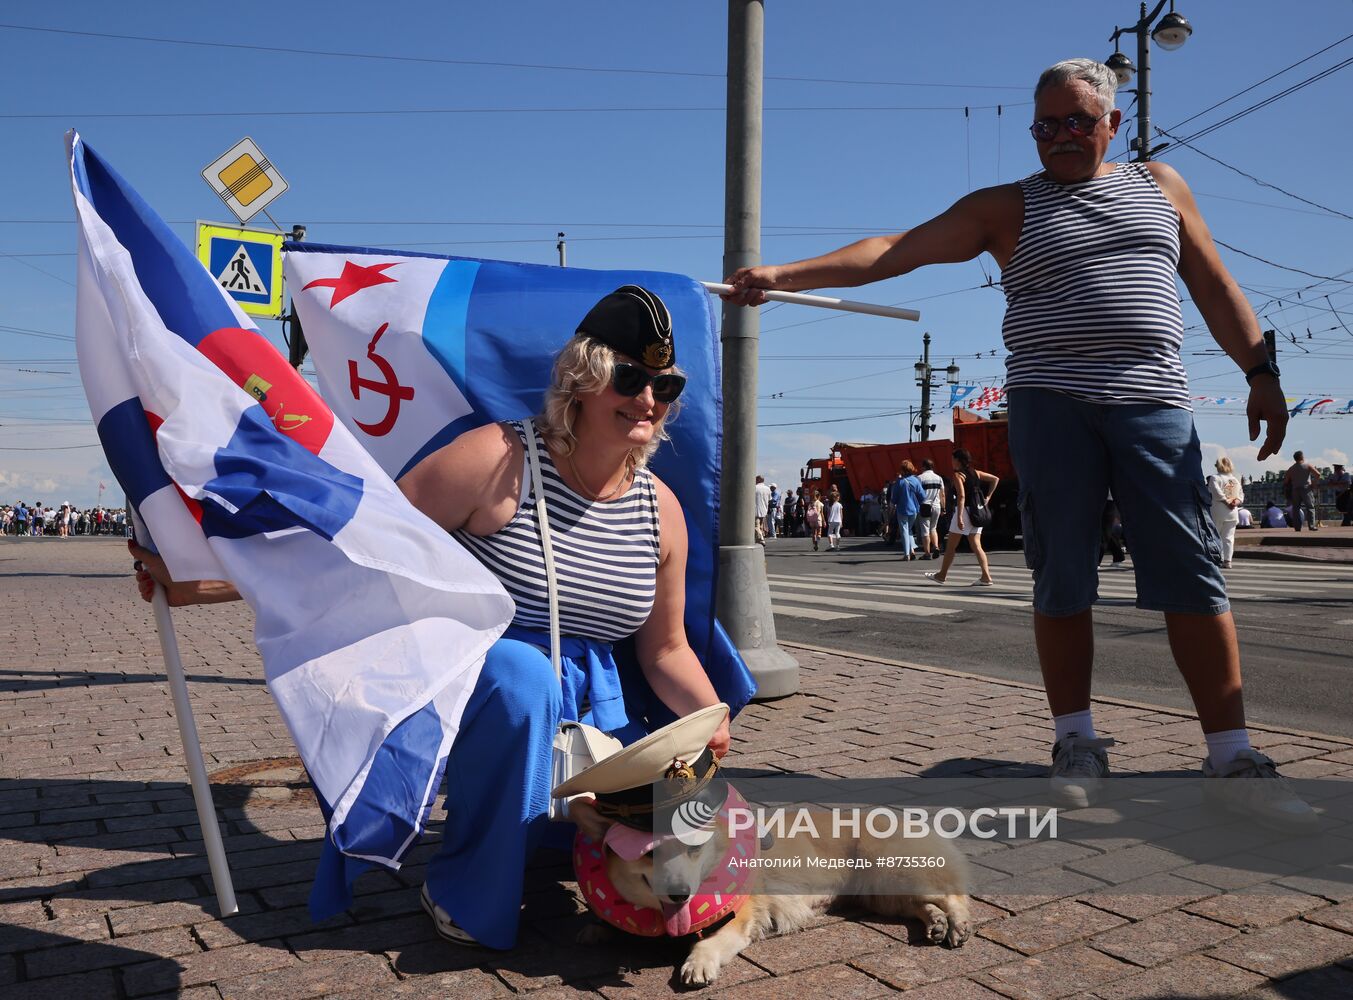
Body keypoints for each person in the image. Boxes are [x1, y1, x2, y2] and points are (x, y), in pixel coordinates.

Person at [722, 58, 1312, 827]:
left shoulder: (1161, 187)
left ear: (1112, 124)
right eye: (1044, 125)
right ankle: (1076, 744)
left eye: (1076, 122)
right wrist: (784, 275)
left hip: (1152, 403)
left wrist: (1259, 371)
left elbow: (1212, 283)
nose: (1060, 137)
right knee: (1060, 576)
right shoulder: (1006, 207)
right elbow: (895, 248)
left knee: (1191, 574)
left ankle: (1232, 755)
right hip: (1048, 405)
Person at [131, 284, 731, 949]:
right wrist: (205, 582)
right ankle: (463, 890)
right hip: (485, 686)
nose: (648, 398)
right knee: (521, 675)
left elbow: (665, 649)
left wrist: (710, 720)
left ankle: (539, 839)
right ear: (583, 381)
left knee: (680, 828)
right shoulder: (497, 459)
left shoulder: (659, 508)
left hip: (593, 721)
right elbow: (359, 549)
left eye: (664, 385)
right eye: (629, 377)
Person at [924, 449, 996, 586]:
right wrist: (988, 496)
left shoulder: (958, 475)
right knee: (977, 546)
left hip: (964, 512)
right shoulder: (977, 473)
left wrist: (959, 518)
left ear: (958, 460)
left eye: (952, 459)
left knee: (951, 546)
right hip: (977, 512)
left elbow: (961, 496)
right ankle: (986, 577)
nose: (951, 462)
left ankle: (941, 575)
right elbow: (995, 479)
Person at [1207, 457, 1244, 568]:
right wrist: (1235, 502)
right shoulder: (1235, 479)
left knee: (1215, 535)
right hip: (1233, 511)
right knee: (1229, 537)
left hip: (1218, 510)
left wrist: (1226, 501)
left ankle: (1217, 558)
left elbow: (1216, 492)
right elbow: (1241, 495)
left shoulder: (1215, 478)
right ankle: (1228, 560)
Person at [889, 462, 925, 560]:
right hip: (914, 509)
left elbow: (894, 499)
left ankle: (906, 554)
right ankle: (912, 551)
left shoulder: (899, 482)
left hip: (902, 509)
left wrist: (891, 510)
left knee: (904, 530)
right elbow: (922, 496)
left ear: (903, 470)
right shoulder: (916, 480)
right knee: (909, 530)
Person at [1283, 451, 1321, 532]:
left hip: (1295, 489)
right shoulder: (1307, 465)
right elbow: (1318, 474)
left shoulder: (1291, 468)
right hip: (1306, 488)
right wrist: (1313, 484)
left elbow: (1286, 481)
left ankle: (1297, 527)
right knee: (1310, 507)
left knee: (1296, 509)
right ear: (1302, 457)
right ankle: (1311, 526)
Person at [916, 459, 945, 558]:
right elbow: (943, 495)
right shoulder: (939, 478)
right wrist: (943, 507)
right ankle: (936, 547)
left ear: (924, 467)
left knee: (925, 530)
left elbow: (916, 494)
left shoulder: (919, 478)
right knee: (933, 528)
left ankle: (927, 553)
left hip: (924, 506)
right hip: (936, 506)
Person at [1330, 462, 1352, 527]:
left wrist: (1336, 483)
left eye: (1336, 468)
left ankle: (1346, 522)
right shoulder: (1334, 476)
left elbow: (1347, 484)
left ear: (1341, 468)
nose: (1335, 469)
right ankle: (1346, 521)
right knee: (1340, 508)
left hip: (1346, 494)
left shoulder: (1346, 475)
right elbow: (1330, 483)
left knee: (1347, 508)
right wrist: (1339, 483)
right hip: (1338, 493)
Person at [825, 487, 844, 552]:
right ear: (836, 498)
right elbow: (841, 514)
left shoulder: (829, 504)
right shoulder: (839, 505)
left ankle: (831, 545)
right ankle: (837, 546)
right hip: (838, 521)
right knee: (837, 533)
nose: (839, 498)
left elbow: (828, 513)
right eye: (838, 497)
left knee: (829, 533)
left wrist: (828, 520)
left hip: (832, 520)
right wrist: (841, 521)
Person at [754, 475, 771, 544]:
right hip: (764, 509)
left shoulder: (754, 487)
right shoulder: (767, 488)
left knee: (755, 526)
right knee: (760, 526)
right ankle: (758, 540)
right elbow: (769, 499)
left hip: (755, 509)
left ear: (758, 480)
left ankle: (761, 539)